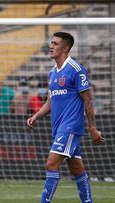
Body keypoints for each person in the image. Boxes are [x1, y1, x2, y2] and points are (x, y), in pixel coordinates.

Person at [27, 32, 105, 203]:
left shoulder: (76, 69)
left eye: (55, 43)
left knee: (51, 164)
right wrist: (37, 115)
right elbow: (50, 100)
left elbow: (87, 100)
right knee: (77, 168)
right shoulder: (52, 72)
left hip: (71, 126)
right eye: (51, 42)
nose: (51, 46)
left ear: (65, 48)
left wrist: (92, 128)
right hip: (58, 127)